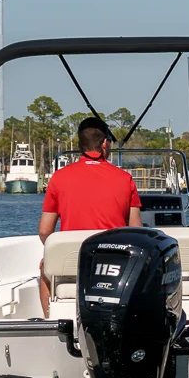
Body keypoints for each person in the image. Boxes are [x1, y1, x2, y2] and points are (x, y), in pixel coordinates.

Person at [38, 116, 143, 315]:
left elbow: (45, 231)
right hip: (115, 265)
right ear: (104, 143)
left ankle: (50, 322)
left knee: (45, 267)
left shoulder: (59, 178)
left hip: (73, 264)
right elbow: (136, 230)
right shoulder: (125, 179)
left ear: (80, 144)